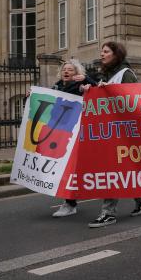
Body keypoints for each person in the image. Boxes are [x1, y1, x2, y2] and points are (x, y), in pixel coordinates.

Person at [83, 42, 141, 228]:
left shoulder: (125, 74)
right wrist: (92, 91)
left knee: (112, 169)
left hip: (123, 132)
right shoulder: (104, 74)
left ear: (116, 54)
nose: (102, 54)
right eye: (102, 51)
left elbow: (134, 99)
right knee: (119, 170)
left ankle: (108, 213)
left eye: (106, 51)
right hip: (108, 132)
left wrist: (111, 91)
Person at [40, 60, 96, 217]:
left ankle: (137, 195)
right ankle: (69, 203)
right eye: (64, 69)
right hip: (62, 134)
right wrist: (30, 97)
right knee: (66, 167)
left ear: (76, 73)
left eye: (70, 70)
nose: (66, 72)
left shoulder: (80, 86)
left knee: (96, 168)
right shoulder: (57, 87)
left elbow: (99, 89)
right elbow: (45, 103)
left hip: (80, 134)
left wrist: (87, 82)